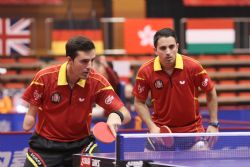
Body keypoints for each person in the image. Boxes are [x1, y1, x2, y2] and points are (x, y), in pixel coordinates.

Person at [22, 36, 131, 167]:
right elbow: (32, 111)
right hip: (45, 147)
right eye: (84, 61)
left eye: (92, 60)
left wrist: (116, 115)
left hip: (81, 146)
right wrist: (30, 117)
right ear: (70, 60)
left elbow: (126, 114)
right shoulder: (44, 78)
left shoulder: (97, 82)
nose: (89, 66)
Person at [132, 28, 219, 150]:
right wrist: (152, 127)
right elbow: (139, 102)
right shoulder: (145, 71)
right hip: (161, 132)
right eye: (163, 48)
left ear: (177, 47)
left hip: (192, 131)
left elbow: (210, 91)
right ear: (155, 50)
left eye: (171, 47)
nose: (168, 52)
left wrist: (214, 122)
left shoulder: (193, 67)